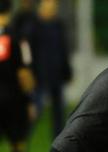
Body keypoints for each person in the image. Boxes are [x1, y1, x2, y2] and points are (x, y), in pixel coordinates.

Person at [0, 0, 35, 152]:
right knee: (17, 147)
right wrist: (30, 98)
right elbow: (24, 73)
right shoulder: (16, 37)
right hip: (13, 101)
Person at [30, 0, 72, 138]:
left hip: (57, 73)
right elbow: (30, 52)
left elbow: (63, 49)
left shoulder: (58, 25)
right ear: (41, 8)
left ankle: (59, 139)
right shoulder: (33, 27)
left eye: (54, 7)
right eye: (48, 7)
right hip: (40, 74)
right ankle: (23, 135)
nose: (52, 10)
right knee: (36, 107)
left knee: (59, 111)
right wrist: (32, 72)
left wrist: (67, 70)